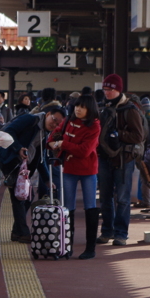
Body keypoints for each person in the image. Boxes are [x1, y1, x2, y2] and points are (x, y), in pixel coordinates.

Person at [0, 106, 67, 243]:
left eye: (58, 124)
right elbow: (8, 131)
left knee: (27, 196)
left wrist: (46, 179)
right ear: (48, 114)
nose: (55, 125)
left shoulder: (45, 133)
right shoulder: (30, 120)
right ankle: (23, 232)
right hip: (11, 160)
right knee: (19, 196)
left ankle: (17, 232)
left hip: (23, 165)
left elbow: (40, 159)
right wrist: (18, 148)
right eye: (54, 120)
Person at [48, 93, 101, 259]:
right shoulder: (69, 120)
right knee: (67, 208)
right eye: (77, 105)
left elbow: (85, 151)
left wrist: (64, 144)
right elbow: (52, 137)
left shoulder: (95, 126)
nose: (78, 109)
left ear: (90, 109)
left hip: (88, 170)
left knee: (90, 207)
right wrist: (55, 142)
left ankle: (90, 248)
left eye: (82, 107)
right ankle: (66, 246)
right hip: (69, 168)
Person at [96, 74, 146, 246]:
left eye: (110, 89)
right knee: (105, 197)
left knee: (123, 198)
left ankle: (121, 234)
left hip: (124, 159)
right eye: (105, 89)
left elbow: (138, 135)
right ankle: (107, 231)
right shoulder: (104, 108)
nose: (107, 92)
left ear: (119, 89)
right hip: (105, 157)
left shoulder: (130, 110)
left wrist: (118, 134)